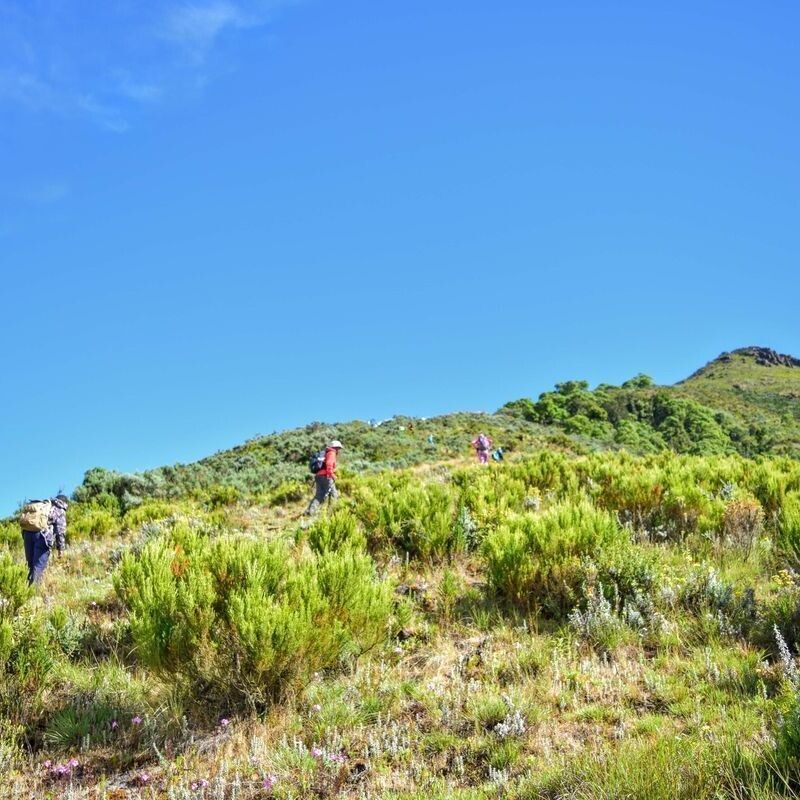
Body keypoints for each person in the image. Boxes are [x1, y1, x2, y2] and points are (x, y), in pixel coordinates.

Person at [21, 494, 68, 585]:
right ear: (65, 503)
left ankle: (25, 589)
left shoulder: (45, 506)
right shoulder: (60, 510)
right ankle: (33, 593)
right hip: (42, 537)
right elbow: (60, 531)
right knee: (38, 566)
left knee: (29, 565)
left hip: (27, 533)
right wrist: (60, 549)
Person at [305, 440, 343, 515]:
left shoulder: (326, 452)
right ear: (335, 447)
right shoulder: (332, 453)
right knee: (333, 494)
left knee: (319, 495)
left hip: (318, 476)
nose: (338, 450)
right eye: (338, 448)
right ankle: (331, 512)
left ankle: (310, 511)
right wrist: (332, 475)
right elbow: (329, 464)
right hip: (326, 476)